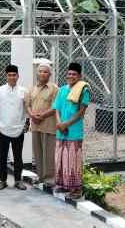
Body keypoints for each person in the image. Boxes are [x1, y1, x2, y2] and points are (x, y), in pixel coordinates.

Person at [53, 62, 90, 199]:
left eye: (74, 74)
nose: (71, 76)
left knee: (73, 160)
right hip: (60, 130)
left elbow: (81, 111)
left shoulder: (84, 90)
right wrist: (59, 123)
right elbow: (56, 108)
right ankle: (63, 185)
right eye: (69, 74)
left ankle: (76, 189)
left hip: (74, 131)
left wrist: (66, 124)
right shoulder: (62, 89)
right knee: (60, 159)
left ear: (79, 76)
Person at [0, 64, 28, 190]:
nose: (12, 77)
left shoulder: (24, 91)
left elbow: (27, 108)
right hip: (2, 128)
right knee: (2, 155)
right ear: (6, 76)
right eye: (9, 75)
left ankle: (18, 180)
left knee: (18, 155)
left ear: (18, 76)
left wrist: (26, 124)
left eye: (14, 75)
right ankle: (2, 180)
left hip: (18, 128)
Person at [26, 59, 59, 188]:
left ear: (50, 74)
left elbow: (56, 106)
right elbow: (27, 104)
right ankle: (40, 177)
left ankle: (50, 179)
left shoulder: (55, 88)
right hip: (36, 125)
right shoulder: (32, 88)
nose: (43, 74)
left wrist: (43, 115)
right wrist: (32, 115)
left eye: (45, 72)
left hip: (49, 125)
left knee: (49, 153)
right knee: (38, 152)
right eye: (40, 71)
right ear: (37, 74)